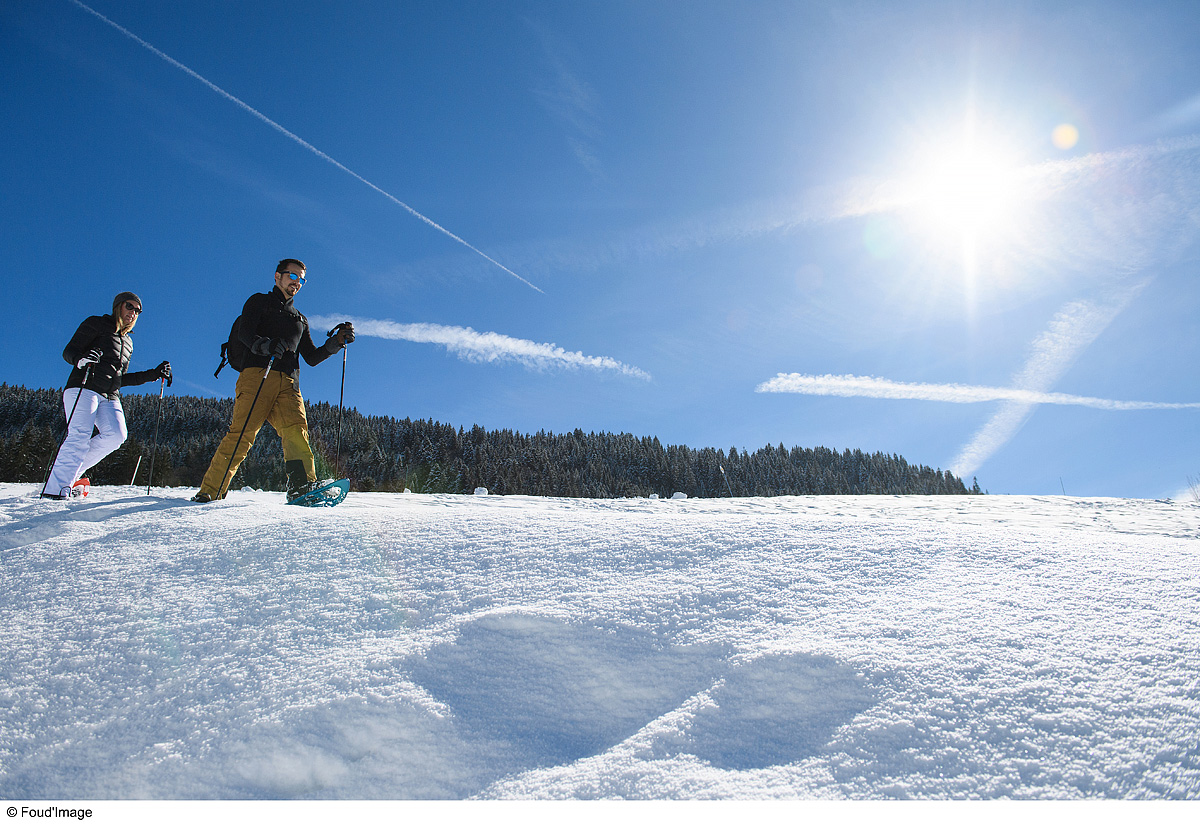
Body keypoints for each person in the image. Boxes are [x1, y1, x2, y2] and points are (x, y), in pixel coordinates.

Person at [192, 258, 354, 503]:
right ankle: (210, 491)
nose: (297, 282)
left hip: (289, 383)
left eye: (301, 279)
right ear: (277, 276)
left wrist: (336, 343)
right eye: (293, 276)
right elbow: (244, 332)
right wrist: (265, 345)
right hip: (258, 374)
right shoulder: (259, 302)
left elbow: (310, 357)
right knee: (242, 433)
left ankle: (301, 486)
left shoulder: (300, 320)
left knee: (296, 431)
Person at [42, 292, 172, 499]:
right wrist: (81, 359)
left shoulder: (128, 342)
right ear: (118, 306)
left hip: (109, 394)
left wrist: (154, 374)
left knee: (116, 435)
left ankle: (70, 476)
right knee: (79, 436)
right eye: (130, 306)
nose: (134, 313)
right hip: (83, 386)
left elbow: (121, 378)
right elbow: (69, 351)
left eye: (138, 311)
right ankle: (55, 490)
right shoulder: (96, 324)